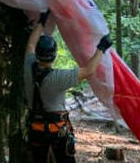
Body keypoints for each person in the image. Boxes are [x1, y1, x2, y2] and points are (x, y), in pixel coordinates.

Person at [24, 10, 112, 163]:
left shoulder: (28, 66)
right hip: (57, 133)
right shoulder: (58, 78)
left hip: (35, 132)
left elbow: (31, 44)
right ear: (54, 55)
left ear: (37, 54)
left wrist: (40, 23)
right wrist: (101, 48)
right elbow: (89, 70)